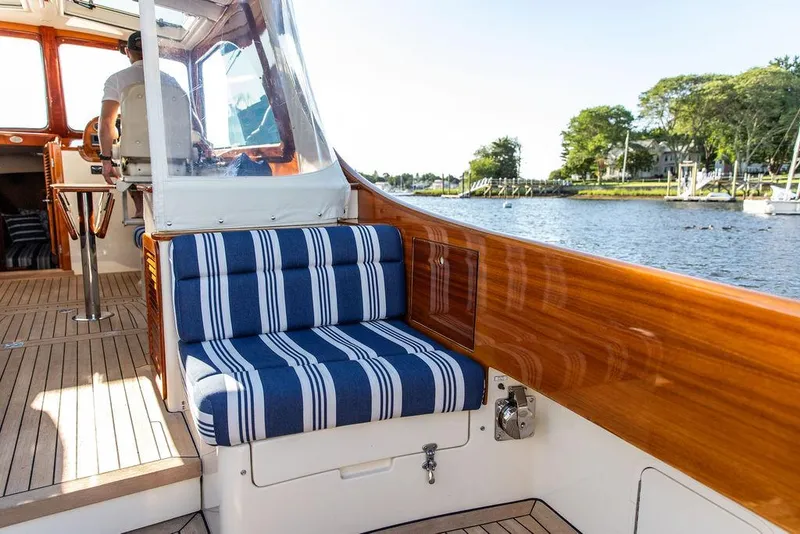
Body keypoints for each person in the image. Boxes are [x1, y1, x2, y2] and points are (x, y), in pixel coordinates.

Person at [98, 31, 183, 219]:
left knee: (128, 157)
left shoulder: (117, 79)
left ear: (128, 52)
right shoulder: (171, 81)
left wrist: (106, 160)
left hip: (135, 161)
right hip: (172, 160)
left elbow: (106, 123)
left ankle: (140, 210)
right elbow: (188, 120)